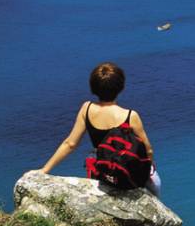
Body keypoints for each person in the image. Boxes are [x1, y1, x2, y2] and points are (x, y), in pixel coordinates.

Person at [32, 62, 162, 197]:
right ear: (121, 87)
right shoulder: (130, 115)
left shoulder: (86, 108)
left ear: (93, 87)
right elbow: (148, 150)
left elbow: (70, 144)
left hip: (101, 167)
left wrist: (44, 170)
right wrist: (149, 169)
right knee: (156, 184)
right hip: (124, 167)